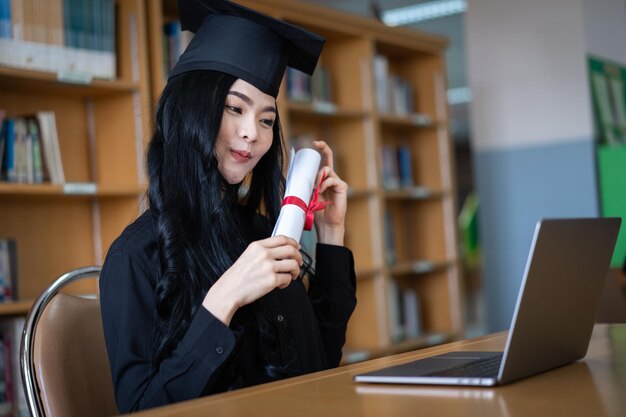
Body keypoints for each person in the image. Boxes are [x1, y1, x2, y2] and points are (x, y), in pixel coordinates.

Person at [99, 0, 357, 413]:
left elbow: (318, 366)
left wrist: (330, 235)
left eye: (267, 119)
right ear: (191, 111)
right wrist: (225, 298)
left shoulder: (262, 234)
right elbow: (140, 409)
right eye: (234, 108)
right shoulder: (135, 258)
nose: (251, 133)